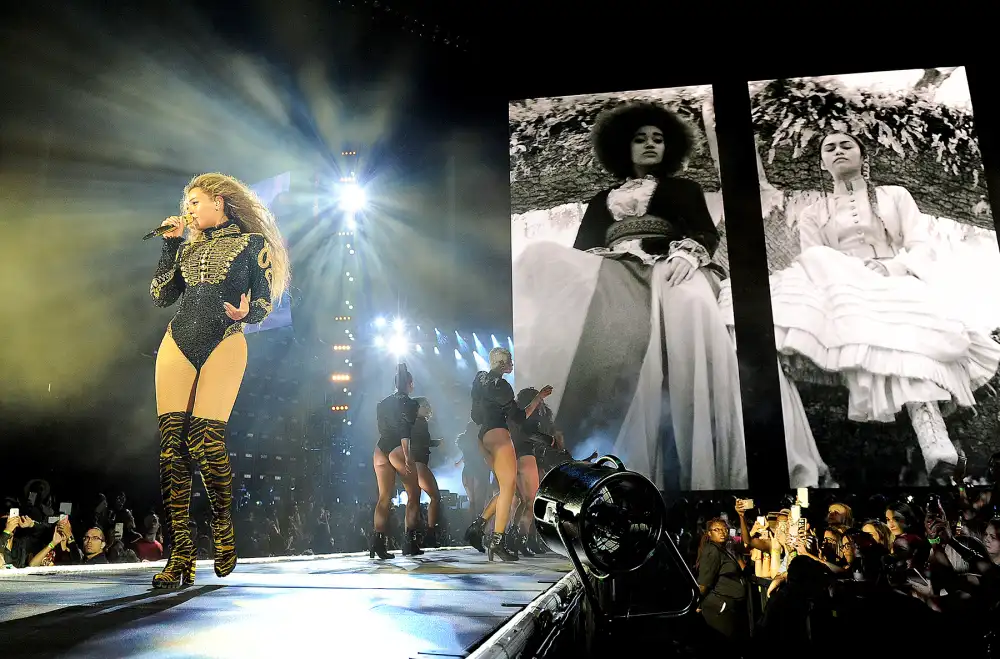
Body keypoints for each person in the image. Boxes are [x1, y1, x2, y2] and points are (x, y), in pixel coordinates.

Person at [512, 101, 747, 491]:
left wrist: (687, 254)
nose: (650, 144)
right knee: (541, 258)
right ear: (625, 147)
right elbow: (581, 248)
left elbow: (706, 233)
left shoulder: (683, 189)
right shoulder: (601, 199)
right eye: (640, 139)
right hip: (612, 265)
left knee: (688, 301)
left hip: (669, 262)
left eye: (658, 138)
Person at [754, 132, 1000, 481]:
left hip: (893, 276)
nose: (838, 151)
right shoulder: (813, 213)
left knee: (908, 329)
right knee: (824, 266)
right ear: (822, 163)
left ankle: (930, 427)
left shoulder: (894, 196)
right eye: (829, 148)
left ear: (862, 154)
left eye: (846, 145)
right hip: (843, 285)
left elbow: (920, 244)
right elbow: (811, 261)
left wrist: (891, 267)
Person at [149, 173, 290, 588]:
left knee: (205, 441)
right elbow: (161, 295)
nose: (188, 209)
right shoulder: (186, 246)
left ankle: (223, 524)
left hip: (225, 340)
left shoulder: (252, 245)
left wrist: (248, 313)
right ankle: (181, 555)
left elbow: (264, 301)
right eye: (186, 203)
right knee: (171, 448)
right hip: (178, 340)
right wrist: (170, 245)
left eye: (194, 201)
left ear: (220, 200)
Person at [465, 347, 552, 561]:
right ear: (502, 363)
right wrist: (538, 397)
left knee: (507, 490)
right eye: (510, 360)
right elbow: (520, 417)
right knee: (508, 490)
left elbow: (475, 414)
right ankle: (497, 541)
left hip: (484, 435)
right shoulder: (503, 386)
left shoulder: (480, 380)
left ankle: (478, 527)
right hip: (498, 434)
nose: (512, 363)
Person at [372, 363, 422, 558]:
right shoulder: (411, 404)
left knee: (384, 498)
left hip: (380, 448)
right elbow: (404, 429)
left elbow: (382, 428)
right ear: (409, 384)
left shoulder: (382, 403)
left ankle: (378, 544)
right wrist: (408, 457)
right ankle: (409, 543)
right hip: (397, 449)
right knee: (414, 494)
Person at [410, 397, 442, 548]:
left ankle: (412, 538)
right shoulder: (420, 422)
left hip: (412, 463)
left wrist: (434, 443)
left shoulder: (412, 423)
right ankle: (430, 534)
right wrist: (436, 443)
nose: (428, 408)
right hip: (418, 463)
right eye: (425, 406)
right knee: (435, 497)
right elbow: (420, 443)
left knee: (414, 500)